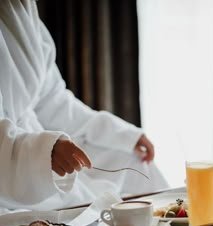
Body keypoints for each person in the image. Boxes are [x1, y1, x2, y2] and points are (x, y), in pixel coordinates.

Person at [0, 0, 168, 212]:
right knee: (91, 205)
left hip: (31, 140)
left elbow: (52, 100)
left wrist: (121, 134)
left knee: (130, 157)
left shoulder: (21, 8)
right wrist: (43, 152)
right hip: (12, 167)